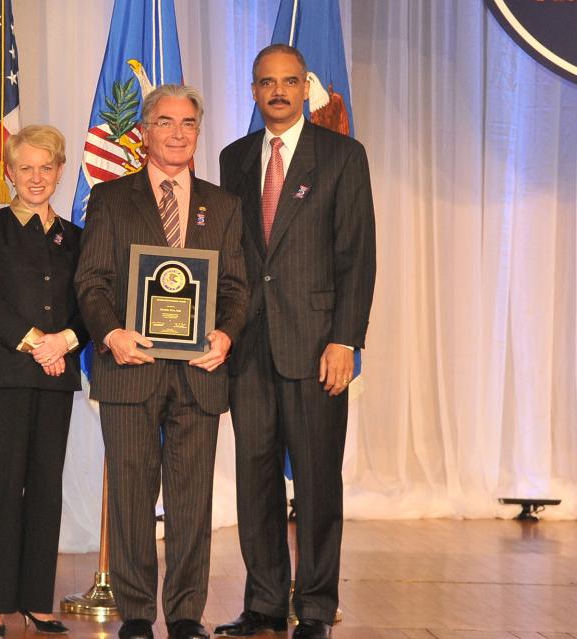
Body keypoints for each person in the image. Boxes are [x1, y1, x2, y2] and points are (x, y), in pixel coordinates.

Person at [75, 85, 248, 639]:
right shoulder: (110, 198)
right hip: (129, 368)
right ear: (145, 132)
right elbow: (92, 281)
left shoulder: (223, 205)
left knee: (192, 501)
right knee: (130, 496)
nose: (177, 133)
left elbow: (236, 288)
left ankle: (187, 613)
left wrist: (225, 335)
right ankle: (135, 613)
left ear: (198, 131)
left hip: (199, 373)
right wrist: (111, 334)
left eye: (188, 123)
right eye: (166, 122)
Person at [215, 44, 376, 639]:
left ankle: (314, 607)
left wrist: (345, 340)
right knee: (254, 478)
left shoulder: (342, 155)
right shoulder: (233, 158)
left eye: (288, 81)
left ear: (305, 88)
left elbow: (358, 255)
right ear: (254, 90)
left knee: (316, 481)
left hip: (316, 348)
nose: (278, 91)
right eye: (266, 82)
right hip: (248, 348)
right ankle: (263, 603)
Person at [0, 125, 88, 638]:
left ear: (60, 171)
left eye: (46, 167)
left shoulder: (76, 237)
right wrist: (39, 343)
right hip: (4, 375)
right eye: (25, 168)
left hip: (56, 376)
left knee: (44, 489)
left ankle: (37, 600)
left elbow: (89, 304)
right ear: (9, 173)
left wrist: (64, 342)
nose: (36, 178)